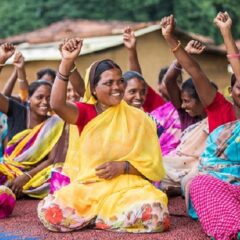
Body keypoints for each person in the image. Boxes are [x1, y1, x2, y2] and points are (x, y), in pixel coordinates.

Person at [38, 38, 169, 233]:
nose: (117, 87)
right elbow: (57, 105)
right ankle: (105, 218)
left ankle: (97, 219)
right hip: (89, 189)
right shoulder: (85, 112)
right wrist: (66, 62)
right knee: (51, 211)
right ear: (94, 89)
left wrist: (123, 167)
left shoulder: (138, 117)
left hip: (128, 188)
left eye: (120, 81)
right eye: (109, 83)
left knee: (156, 213)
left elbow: (153, 167)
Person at [189, 12, 240, 240]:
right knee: (199, 183)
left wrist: (226, 34)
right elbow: (209, 168)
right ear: (231, 91)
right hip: (227, 189)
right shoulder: (224, 130)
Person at [0, 43, 65, 202]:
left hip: (35, 176)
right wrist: (2, 59)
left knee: (60, 176)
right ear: (29, 98)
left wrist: (25, 177)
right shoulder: (17, 109)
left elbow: (51, 159)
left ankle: (19, 190)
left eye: (49, 98)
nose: (45, 102)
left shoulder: (57, 123)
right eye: (40, 97)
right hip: (8, 169)